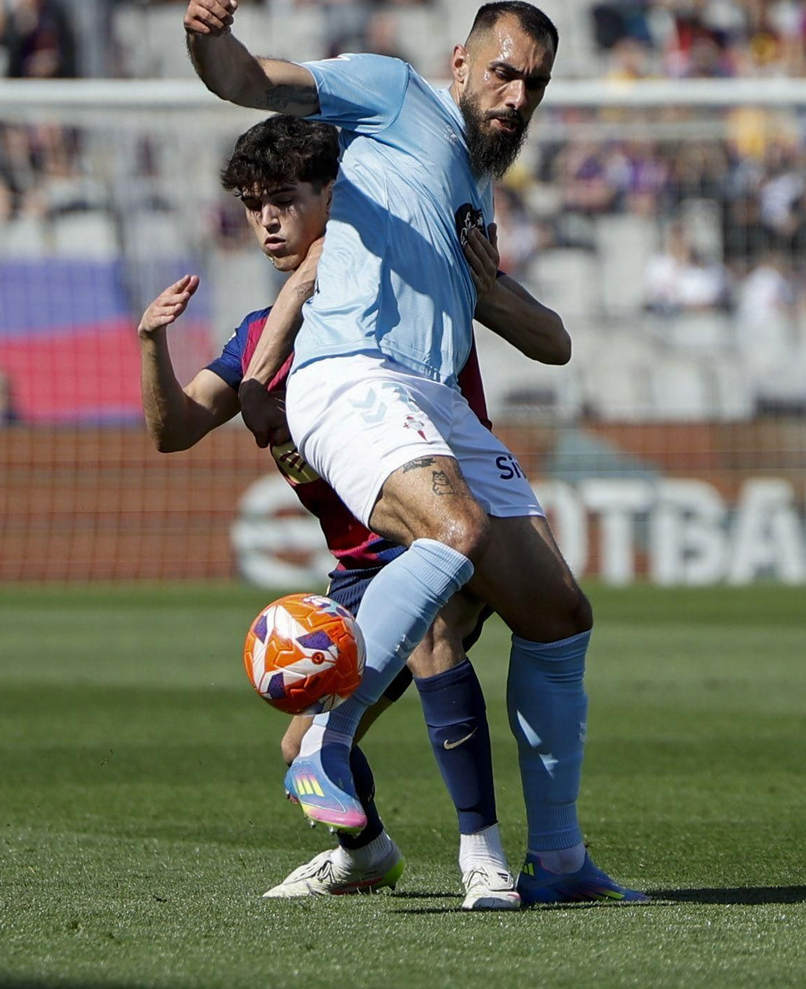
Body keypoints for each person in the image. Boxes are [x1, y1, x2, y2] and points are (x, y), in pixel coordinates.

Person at [183, 0, 643, 904]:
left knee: (560, 615)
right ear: (460, 64)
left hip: (435, 401)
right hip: (353, 374)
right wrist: (211, 39)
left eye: (535, 85)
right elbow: (247, 82)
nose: (517, 96)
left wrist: (495, 289)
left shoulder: (474, 185)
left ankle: (556, 863)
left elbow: (549, 342)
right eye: (504, 73)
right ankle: (327, 740)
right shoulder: (393, 96)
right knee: (455, 533)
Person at [139, 115, 572, 910]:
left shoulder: (404, 291)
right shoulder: (251, 339)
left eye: (284, 200)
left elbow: (553, 341)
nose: (267, 219)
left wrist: (491, 290)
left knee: (435, 634)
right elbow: (171, 431)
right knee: (297, 743)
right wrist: (150, 346)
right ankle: (365, 850)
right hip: (360, 571)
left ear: (331, 198)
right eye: (252, 205)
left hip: (446, 524)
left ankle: (484, 854)